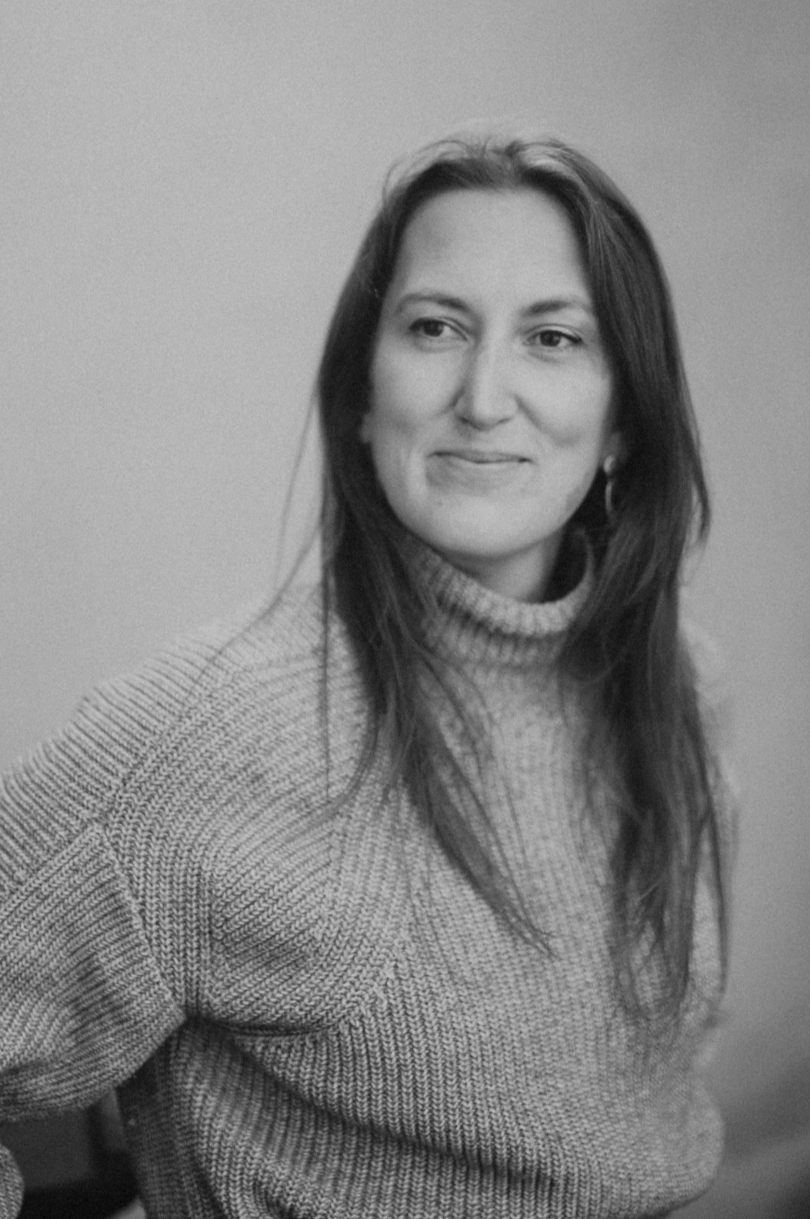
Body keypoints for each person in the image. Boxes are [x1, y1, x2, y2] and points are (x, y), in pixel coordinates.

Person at [0, 133, 734, 1219]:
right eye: (436, 327)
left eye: (552, 337)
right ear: (361, 391)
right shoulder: (212, 732)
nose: (483, 397)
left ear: (622, 422)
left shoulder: (678, 689)